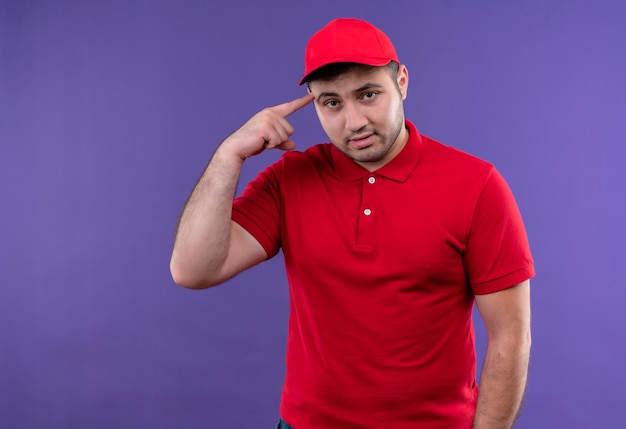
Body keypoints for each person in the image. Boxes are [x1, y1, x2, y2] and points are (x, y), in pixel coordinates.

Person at [170, 17, 534, 429]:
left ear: (402, 82)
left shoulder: (477, 185)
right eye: (332, 103)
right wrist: (228, 155)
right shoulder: (290, 179)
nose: (354, 121)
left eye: (368, 94)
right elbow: (192, 270)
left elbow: (510, 335)